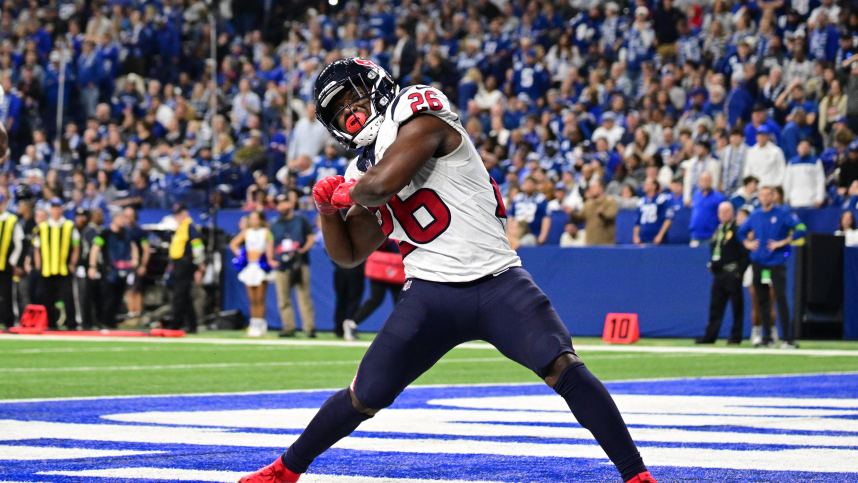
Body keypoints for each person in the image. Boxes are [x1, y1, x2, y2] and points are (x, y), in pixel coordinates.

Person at [240, 58, 654, 483]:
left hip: (497, 281)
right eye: (338, 110)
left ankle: (636, 475)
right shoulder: (361, 169)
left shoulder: (419, 109)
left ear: (378, 85)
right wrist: (328, 212)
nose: (350, 111)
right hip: (429, 294)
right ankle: (285, 470)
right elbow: (348, 253)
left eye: (352, 96)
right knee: (363, 396)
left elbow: (380, 185)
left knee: (563, 368)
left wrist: (348, 194)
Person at [737, 187, 807, 348]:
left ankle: (788, 338)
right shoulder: (755, 215)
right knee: (762, 300)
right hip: (759, 262)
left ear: (773, 197)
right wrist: (748, 243)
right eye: (762, 195)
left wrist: (784, 242)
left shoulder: (783, 214)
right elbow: (741, 232)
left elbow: (801, 229)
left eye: (768, 194)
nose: (764, 198)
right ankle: (767, 337)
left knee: (781, 299)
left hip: (776, 262)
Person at [696, 202, 748, 344]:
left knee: (736, 306)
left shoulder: (737, 231)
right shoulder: (718, 231)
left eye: (727, 211)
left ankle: (735, 336)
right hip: (718, 274)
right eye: (722, 212)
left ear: (732, 213)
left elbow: (745, 253)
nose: (724, 214)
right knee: (715, 307)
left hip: (732, 272)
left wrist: (739, 272)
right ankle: (710, 336)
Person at [270, 190, 316, 337]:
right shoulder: (275, 224)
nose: (282, 206)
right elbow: (271, 242)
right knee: (283, 298)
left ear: (290, 204)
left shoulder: (300, 220)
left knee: (304, 296)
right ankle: (288, 327)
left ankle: (309, 328)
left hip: (299, 263)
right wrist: (271, 258)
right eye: (279, 204)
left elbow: (310, 237)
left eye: (284, 202)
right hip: (282, 264)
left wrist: (302, 250)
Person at [343, 239, 405, 341]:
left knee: (398, 302)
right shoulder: (385, 233)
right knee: (376, 300)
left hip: (396, 269)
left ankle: (400, 330)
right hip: (380, 268)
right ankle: (351, 323)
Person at [32, 198, 79, 329]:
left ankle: (71, 324)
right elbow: (37, 248)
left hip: (63, 268)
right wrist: (38, 265)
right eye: (53, 208)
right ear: (50, 210)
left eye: (58, 207)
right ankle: (50, 324)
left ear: (61, 209)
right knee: (47, 299)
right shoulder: (41, 228)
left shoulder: (69, 226)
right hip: (47, 269)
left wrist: (72, 263)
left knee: (68, 298)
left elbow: (76, 247)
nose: (56, 210)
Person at [230, 210, 277, 337]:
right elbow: (233, 244)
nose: (253, 221)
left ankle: (261, 323)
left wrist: (270, 259)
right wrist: (241, 255)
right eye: (251, 218)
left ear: (261, 220)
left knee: (260, 298)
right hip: (250, 266)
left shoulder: (267, 233)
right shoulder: (246, 232)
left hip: (261, 267)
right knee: (252, 299)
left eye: (256, 218)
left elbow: (270, 247)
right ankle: (253, 323)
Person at [88, 210, 138, 328]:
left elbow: (133, 246)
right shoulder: (105, 233)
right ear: (114, 219)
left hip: (123, 270)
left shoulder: (126, 233)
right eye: (121, 218)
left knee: (118, 297)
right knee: (107, 297)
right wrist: (92, 266)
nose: (123, 221)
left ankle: (112, 321)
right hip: (109, 271)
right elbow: (95, 248)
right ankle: (104, 322)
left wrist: (135, 260)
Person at [166, 203, 204, 333]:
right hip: (178, 264)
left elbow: (198, 246)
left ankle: (175, 324)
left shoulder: (189, 227)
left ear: (185, 213)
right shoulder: (181, 227)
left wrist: (199, 265)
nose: (177, 217)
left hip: (185, 264)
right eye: (176, 214)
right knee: (185, 296)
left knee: (179, 295)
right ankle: (192, 325)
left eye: (179, 214)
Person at [0, 189, 24, 328]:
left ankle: (9, 321)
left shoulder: (11, 220)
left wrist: (13, 261)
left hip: (6, 264)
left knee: (7, 295)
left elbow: (18, 243)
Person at [123, 207, 150, 324]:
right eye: (126, 216)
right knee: (128, 290)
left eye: (130, 216)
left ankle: (136, 316)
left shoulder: (139, 231)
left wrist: (143, 265)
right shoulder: (122, 230)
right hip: (124, 265)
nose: (128, 219)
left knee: (135, 290)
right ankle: (131, 314)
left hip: (136, 265)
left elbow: (146, 249)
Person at [572, 180, 619, 246]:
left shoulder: (610, 201)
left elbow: (611, 215)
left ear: (601, 188)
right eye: (590, 188)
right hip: (590, 243)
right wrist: (571, 213)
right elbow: (580, 218)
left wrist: (602, 214)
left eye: (593, 187)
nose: (591, 190)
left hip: (606, 244)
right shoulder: (588, 203)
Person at [508, 176, 551, 245]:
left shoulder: (540, 199)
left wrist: (543, 235)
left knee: (525, 242)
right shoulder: (517, 198)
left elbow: (546, 218)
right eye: (527, 183)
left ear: (535, 186)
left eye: (531, 183)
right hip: (516, 232)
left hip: (532, 233)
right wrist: (510, 233)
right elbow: (511, 217)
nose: (528, 185)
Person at [783, 139, 825, 208]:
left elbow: (820, 181)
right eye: (802, 147)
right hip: (795, 200)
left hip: (811, 200)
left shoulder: (816, 162)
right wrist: (786, 197)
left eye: (806, 147)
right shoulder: (791, 162)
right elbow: (787, 181)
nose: (803, 149)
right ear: (797, 148)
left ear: (809, 149)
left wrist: (819, 198)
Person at [688, 172, 726, 246]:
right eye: (703, 180)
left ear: (711, 181)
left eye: (707, 180)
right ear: (699, 181)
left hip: (710, 235)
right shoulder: (696, 195)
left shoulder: (719, 197)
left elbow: (723, 217)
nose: (705, 182)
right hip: (695, 234)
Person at [633, 178, 673, 245]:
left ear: (654, 186)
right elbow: (637, 222)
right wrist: (636, 236)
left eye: (647, 184)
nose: (644, 186)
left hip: (657, 239)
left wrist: (660, 235)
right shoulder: (641, 201)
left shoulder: (662, 199)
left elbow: (668, 219)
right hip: (643, 238)